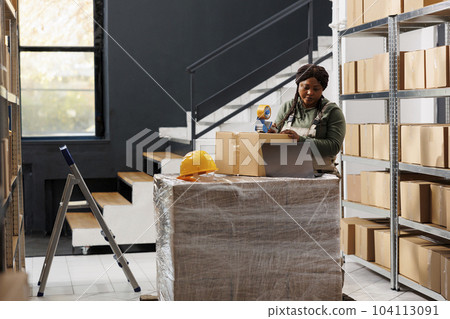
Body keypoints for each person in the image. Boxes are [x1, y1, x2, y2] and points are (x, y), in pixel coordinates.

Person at [270, 64, 346, 174]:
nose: (310, 92)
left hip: (320, 175)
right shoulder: (287, 107)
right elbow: (277, 137)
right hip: (287, 173)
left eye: (316, 89)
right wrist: (272, 134)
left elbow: (334, 146)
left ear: (322, 89)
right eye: (305, 87)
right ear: (298, 85)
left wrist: (301, 141)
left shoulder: (333, 112)